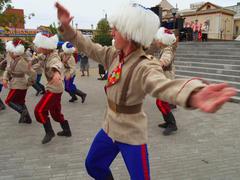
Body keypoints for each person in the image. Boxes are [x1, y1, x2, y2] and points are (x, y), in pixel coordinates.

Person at [56, 2, 236, 179]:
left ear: (128, 32)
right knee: (93, 165)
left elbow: (161, 84)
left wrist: (193, 94)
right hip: (109, 128)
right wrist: (68, 28)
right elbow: (88, 46)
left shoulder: (145, 65)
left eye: (116, 29)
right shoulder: (112, 55)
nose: (112, 33)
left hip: (132, 133)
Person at [33, 33, 72, 144]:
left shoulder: (54, 56)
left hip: (54, 89)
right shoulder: (46, 55)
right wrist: (30, 63)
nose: (38, 47)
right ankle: (67, 130)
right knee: (55, 113)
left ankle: (49, 132)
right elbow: (39, 60)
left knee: (39, 110)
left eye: (39, 45)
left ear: (46, 46)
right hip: (55, 88)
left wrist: (56, 73)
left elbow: (57, 64)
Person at [151, 27, 178, 135]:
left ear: (162, 41)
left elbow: (165, 60)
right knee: (161, 103)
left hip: (167, 80)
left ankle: (172, 124)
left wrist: (158, 63)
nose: (156, 41)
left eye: (157, 39)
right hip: (164, 79)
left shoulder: (167, 50)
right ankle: (168, 122)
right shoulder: (165, 49)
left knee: (161, 102)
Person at [3, 39, 36, 123]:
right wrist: (5, 79)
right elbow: (8, 70)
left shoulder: (21, 62)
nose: (9, 53)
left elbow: (32, 73)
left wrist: (29, 82)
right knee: (20, 102)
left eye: (10, 52)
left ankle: (22, 111)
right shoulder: (13, 60)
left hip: (19, 85)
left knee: (9, 101)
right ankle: (27, 119)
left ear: (15, 52)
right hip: (16, 84)